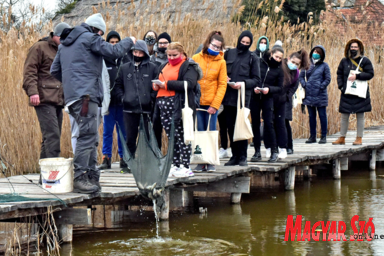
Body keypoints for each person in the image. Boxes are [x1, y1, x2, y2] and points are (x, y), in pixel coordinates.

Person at [50, 13, 135, 194]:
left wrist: (72, 83)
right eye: (102, 35)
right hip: (87, 97)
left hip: (73, 97)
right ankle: (81, 178)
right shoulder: (90, 38)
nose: (101, 38)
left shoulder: (65, 44)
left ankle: (91, 176)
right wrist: (129, 40)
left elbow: (54, 70)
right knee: (87, 138)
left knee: (89, 136)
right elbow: (114, 52)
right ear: (98, 30)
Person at [23, 22, 70, 163]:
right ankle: (52, 173)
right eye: (63, 37)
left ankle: (45, 176)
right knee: (52, 136)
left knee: (50, 137)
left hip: (58, 100)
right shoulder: (39, 47)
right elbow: (29, 72)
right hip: (43, 99)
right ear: (56, 35)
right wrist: (33, 93)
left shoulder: (63, 49)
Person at [153, 42, 202, 177]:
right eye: (169, 55)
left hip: (179, 105)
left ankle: (185, 165)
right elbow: (160, 80)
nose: (171, 58)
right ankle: (175, 164)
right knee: (171, 136)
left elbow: (189, 84)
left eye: (175, 55)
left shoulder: (188, 66)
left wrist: (167, 84)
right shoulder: (164, 65)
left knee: (183, 135)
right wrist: (156, 86)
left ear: (182, 53)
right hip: (163, 105)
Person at [114, 40, 158, 158]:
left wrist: (151, 99)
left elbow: (156, 86)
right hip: (129, 110)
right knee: (130, 138)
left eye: (140, 53)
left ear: (145, 54)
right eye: (135, 52)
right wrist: (123, 98)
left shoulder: (153, 68)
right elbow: (118, 86)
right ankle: (128, 162)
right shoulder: (124, 68)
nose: (137, 55)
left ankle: (148, 160)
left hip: (147, 110)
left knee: (148, 138)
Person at [222, 30, 260, 166]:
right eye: (242, 42)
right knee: (230, 126)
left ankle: (243, 156)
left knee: (241, 126)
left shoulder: (252, 57)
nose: (244, 44)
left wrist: (243, 84)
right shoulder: (228, 54)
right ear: (238, 40)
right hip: (228, 96)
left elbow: (256, 79)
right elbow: (221, 70)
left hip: (243, 97)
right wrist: (224, 78)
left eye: (247, 43)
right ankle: (234, 155)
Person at [192, 31, 227, 172]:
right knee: (200, 131)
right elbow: (192, 80)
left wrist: (215, 105)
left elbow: (222, 84)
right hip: (198, 103)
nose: (216, 48)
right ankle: (201, 161)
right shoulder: (196, 58)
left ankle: (211, 161)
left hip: (212, 104)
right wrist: (193, 101)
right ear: (208, 43)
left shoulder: (221, 62)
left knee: (211, 131)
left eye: (219, 47)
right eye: (214, 45)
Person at [333, 39, 374, 146]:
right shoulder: (344, 61)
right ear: (348, 48)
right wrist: (341, 86)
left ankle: (359, 138)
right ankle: (342, 138)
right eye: (352, 47)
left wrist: (357, 76)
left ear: (360, 48)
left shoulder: (365, 61)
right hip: (346, 92)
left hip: (360, 92)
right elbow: (339, 74)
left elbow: (370, 74)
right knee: (344, 115)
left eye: (356, 47)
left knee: (360, 115)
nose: (353, 49)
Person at [98, 31, 128, 171]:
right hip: (108, 103)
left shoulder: (125, 60)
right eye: (112, 42)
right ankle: (106, 158)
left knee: (123, 131)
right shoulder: (103, 61)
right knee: (107, 131)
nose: (114, 44)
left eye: (117, 42)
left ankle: (124, 158)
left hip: (122, 102)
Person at [250, 46, 284, 163]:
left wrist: (269, 89)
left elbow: (280, 88)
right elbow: (253, 77)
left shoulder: (279, 70)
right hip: (255, 96)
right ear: (271, 55)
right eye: (276, 57)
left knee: (269, 123)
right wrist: (254, 87)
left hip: (268, 97)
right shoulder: (260, 63)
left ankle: (274, 151)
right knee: (255, 123)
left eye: (280, 58)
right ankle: (257, 151)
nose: (278, 59)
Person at [299, 45, 331, 144]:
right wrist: (305, 85)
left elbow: (328, 78)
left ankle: (323, 136)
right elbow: (300, 76)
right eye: (314, 52)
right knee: (311, 116)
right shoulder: (307, 64)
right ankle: (312, 136)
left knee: (322, 115)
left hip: (320, 94)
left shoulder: (324, 66)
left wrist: (321, 86)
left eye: (318, 53)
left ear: (322, 55)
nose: (315, 54)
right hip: (309, 94)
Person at [284, 49, 310, 154]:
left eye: (296, 64)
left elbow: (294, 87)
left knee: (286, 123)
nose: (294, 65)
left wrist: (287, 96)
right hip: (277, 98)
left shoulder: (296, 73)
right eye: (293, 62)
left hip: (286, 99)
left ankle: (289, 146)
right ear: (289, 59)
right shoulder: (282, 67)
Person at [151, 32, 172, 148]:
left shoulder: (173, 60)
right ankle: (157, 155)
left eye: (165, 43)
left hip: (171, 99)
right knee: (156, 128)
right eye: (160, 43)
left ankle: (173, 156)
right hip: (156, 99)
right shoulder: (152, 60)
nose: (162, 45)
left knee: (171, 129)